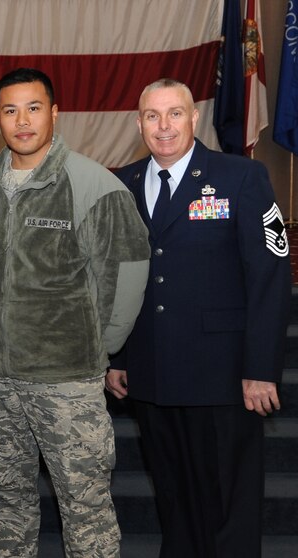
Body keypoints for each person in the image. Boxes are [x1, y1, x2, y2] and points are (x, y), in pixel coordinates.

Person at [0, 68, 150, 557]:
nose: (22, 121)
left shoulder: (94, 185)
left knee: (84, 508)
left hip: (66, 382)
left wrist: (91, 348)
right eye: (9, 110)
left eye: (34, 107)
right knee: (3, 504)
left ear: (55, 113)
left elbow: (124, 278)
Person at [105, 78, 291, 558]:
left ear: (193, 118)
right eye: (152, 115)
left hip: (224, 374)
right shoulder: (121, 183)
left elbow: (269, 278)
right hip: (152, 371)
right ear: (138, 122)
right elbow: (118, 278)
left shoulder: (240, 177)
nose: (163, 126)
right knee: (174, 495)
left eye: (174, 114)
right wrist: (119, 355)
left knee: (229, 500)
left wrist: (260, 369)